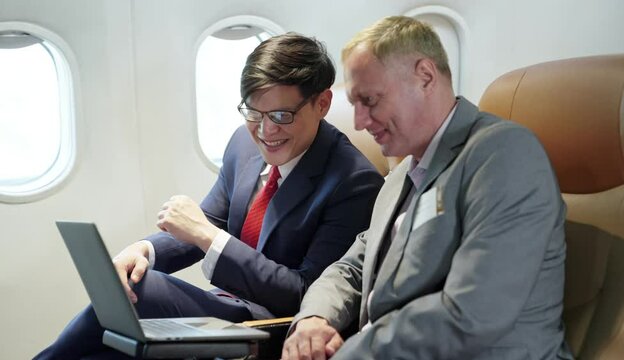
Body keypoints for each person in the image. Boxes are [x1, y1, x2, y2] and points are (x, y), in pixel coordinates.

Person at [36, 33, 384, 359]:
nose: (266, 131)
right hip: (225, 305)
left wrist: (208, 236)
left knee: (140, 295)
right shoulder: (243, 144)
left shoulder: (354, 183)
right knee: (115, 328)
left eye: (282, 115)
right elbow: (207, 221)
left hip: (270, 326)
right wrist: (144, 251)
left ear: (322, 104)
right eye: (253, 112)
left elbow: (306, 292)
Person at [282, 16, 574, 360]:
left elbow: (471, 315)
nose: (360, 122)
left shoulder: (502, 156)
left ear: (425, 76)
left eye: (371, 101)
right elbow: (354, 267)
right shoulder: (403, 174)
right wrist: (315, 319)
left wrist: (353, 353)